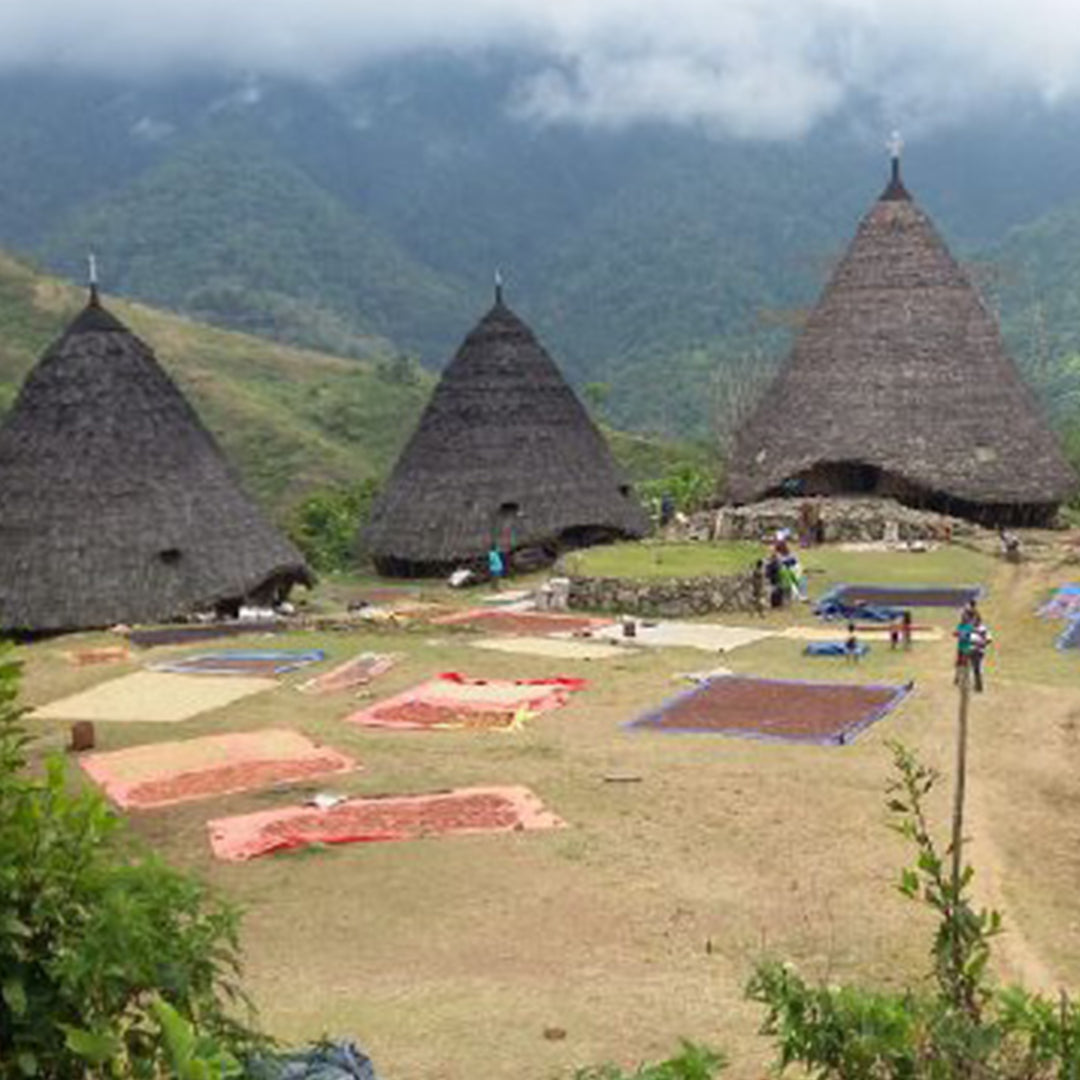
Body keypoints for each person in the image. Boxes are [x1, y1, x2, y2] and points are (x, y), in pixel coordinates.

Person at [970, 619, 992, 692]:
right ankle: (975, 685)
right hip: (971, 651)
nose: (974, 622)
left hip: (979, 651)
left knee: (978, 669)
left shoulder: (983, 629)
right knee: (973, 668)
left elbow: (989, 640)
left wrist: (981, 643)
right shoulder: (970, 629)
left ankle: (979, 686)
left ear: (979, 621)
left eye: (975, 621)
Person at [954, 611, 975, 685]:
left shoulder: (970, 626)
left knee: (965, 663)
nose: (963, 618)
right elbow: (956, 632)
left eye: (964, 616)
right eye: (962, 617)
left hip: (967, 648)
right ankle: (957, 677)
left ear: (968, 618)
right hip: (960, 647)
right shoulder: (960, 625)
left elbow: (971, 635)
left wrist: (964, 635)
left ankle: (966, 678)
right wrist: (957, 633)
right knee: (958, 663)